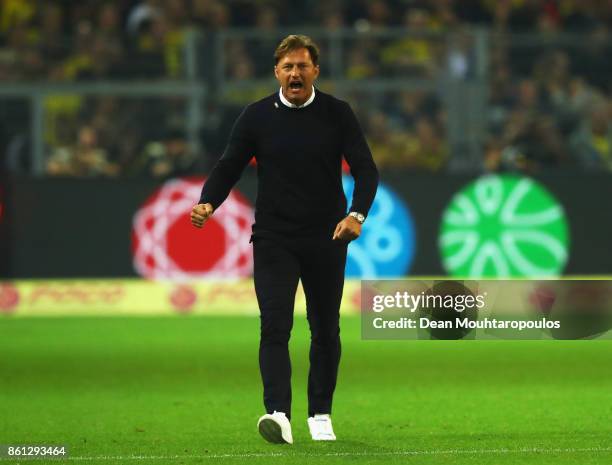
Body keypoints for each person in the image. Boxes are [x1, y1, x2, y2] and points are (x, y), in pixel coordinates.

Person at [190, 34, 378, 444]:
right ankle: (278, 413)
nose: (295, 73)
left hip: (327, 235)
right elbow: (229, 165)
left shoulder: (337, 113)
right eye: (288, 66)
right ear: (276, 72)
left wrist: (356, 215)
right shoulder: (256, 116)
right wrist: (208, 202)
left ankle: (320, 414)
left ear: (315, 71)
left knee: (325, 328)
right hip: (274, 235)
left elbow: (366, 169)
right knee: (274, 325)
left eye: (302, 66)